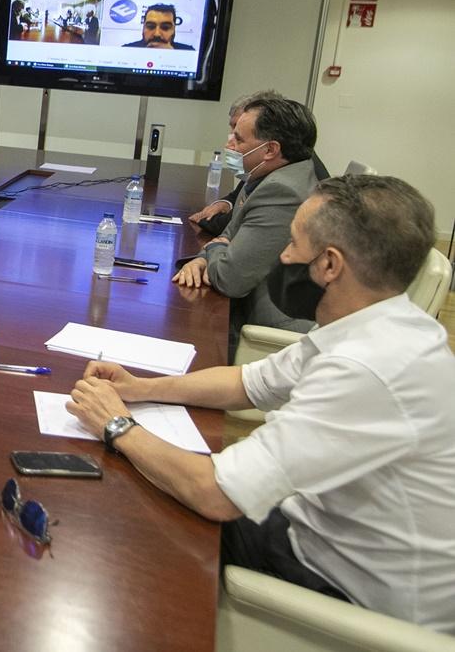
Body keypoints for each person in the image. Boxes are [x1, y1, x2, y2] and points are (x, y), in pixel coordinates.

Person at [67, 175, 455, 633]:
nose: (283, 257)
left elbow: (215, 494)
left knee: (128, 520)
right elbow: (247, 383)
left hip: (350, 590)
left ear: (330, 265)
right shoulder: (380, 321)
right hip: (321, 531)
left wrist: (117, 425)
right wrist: (139, 388)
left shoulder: (366, 367)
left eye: (293, 244)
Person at [172, 97, 320, 353]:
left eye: (239, 139)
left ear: (271, 150)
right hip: (246, 305)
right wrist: (205, 255)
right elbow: (229, 233)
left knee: (181, 333)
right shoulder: (268, 175)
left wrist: (214, 249)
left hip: (267, 332)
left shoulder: (281, 191)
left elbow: (231, 278)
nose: (229, 143)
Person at [190, 93, 332, 236]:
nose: (230, 139)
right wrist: (224, 204)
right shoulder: (280, 161)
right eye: (233, 127)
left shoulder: (282, 184)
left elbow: (232, 226)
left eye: (239, 135)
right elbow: (239, 194)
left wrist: (205, 223)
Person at [122, 3, 195, 50]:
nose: (157, 34)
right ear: (143, 27)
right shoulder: (127, 50)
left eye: (165, 28)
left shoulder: (187, 51)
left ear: (174, 29)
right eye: (151, 27)